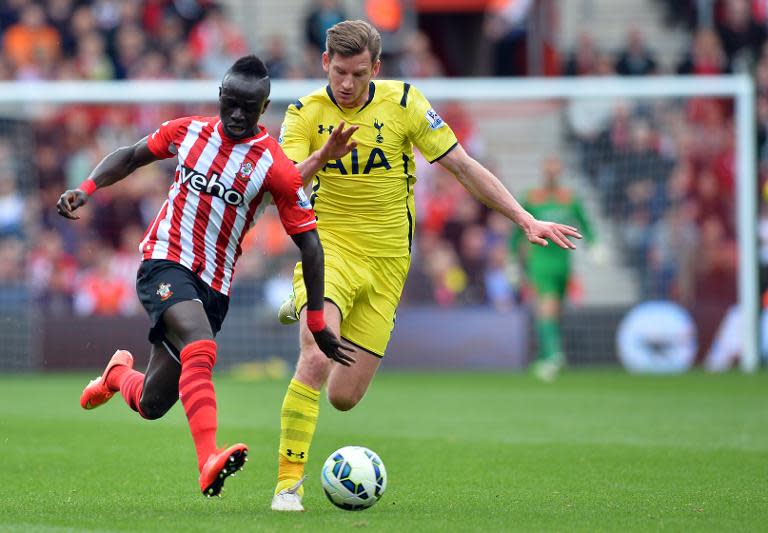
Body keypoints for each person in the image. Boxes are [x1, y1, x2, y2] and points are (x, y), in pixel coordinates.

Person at [270, 20, 582, 511]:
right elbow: (282, 186)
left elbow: (462, 166)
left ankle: (302, 306)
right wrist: (324, 156)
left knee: (344, 397)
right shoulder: (305, 114)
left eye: (357, 73)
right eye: (338, 72)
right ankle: (288, 485)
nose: (346, 85)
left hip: (389, 264)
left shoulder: (406, 103)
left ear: (375, 68)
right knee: (315, 357)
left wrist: (523, 218)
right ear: (324, 62)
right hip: (327, 251)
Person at [56, 55, 356, 497]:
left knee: (153, 403)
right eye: (230, 103)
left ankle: (118, 375)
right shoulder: (189, 131)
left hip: (214, 286)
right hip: (164, 261)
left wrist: (315, 320)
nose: (236, 115)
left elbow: (310, 244)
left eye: (247, 108)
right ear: (220, 96)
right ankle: (208, 460)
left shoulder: (272, 164)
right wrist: (86, 189)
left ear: (264, 106)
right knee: (201, 345)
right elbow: (131, 155)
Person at [509, 156, 595, 381]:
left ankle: (544, 356)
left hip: (564, 264)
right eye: (548, 170)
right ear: (543, 172)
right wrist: (511, 258)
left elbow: (584, 222)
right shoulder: (531, 197)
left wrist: (595, 244)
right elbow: (518, 229)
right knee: (546, 307)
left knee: (554, 311)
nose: (551, 175)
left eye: (555, 171)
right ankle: (555, 356)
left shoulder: (569, 198)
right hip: (540, 262)